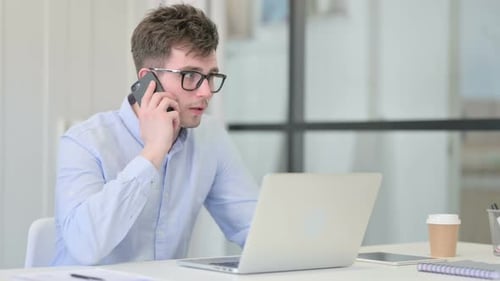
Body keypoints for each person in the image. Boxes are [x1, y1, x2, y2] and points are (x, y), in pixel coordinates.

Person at [53, 4, 258, 266]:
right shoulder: (84, 141)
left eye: (211, 76)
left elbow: (253, 229)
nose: (206, 92)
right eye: (191, 75)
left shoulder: (210, 138)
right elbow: (86, 247)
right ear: (149, 80)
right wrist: (153, 152)